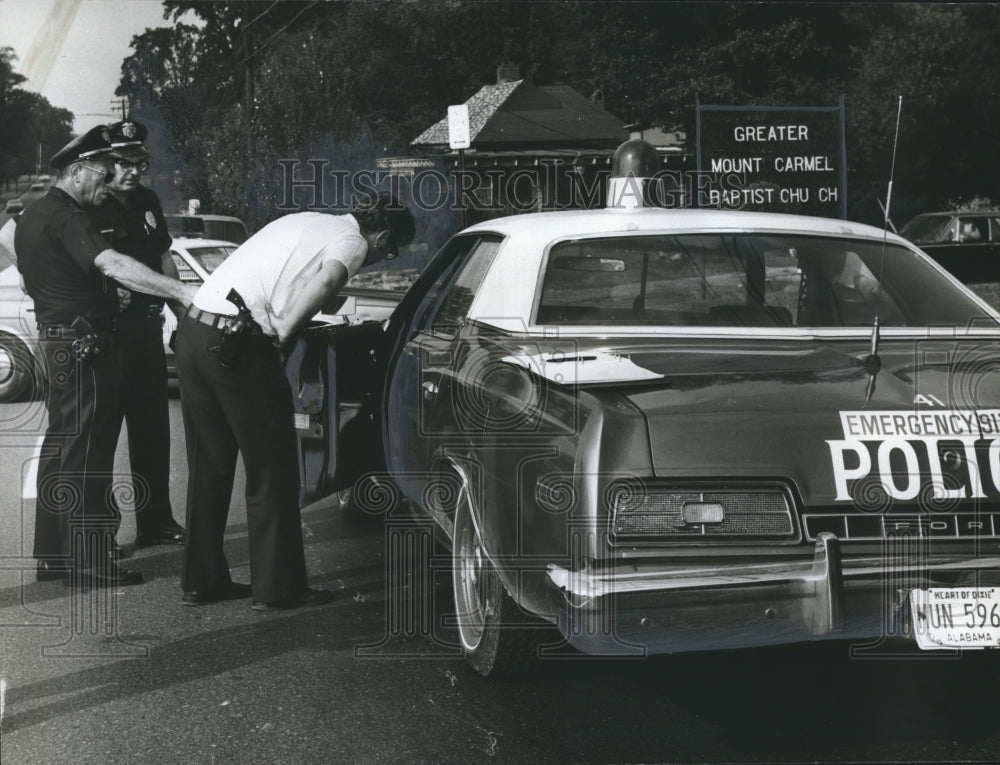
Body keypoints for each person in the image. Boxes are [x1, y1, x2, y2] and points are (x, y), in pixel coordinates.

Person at [175, 193, 415, 609]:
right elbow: (329, 280)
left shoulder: (306, 220)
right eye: (390, 251)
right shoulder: (353, 240)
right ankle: (278, 588)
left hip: (195, 331)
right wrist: (285, 330)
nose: (382, 258)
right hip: (238, 340)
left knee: (209, 465)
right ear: (381, 236)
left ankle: (202, 581)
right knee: (273, 466)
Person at [15, 125, 196, 586]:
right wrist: (181, 292)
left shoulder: (33, 215)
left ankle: (54, 554)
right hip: (85, 343)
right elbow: (112, 262)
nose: (110, 179)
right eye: (103, 171)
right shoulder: (70, 217)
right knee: (89, 455)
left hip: (58, 340)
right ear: (78, 171)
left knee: (63, 447)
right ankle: (88, 560)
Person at [88, 120, 187, 549]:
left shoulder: (147, 200)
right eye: (124, 163)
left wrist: (183, 313)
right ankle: (101, 532)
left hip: (147, 329)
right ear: (106, 164)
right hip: (109, 333)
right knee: (102, 437)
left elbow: (164, 257)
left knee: (152, 432)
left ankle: (156, 521)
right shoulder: (90, 203)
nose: (133, 172)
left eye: (139, 163)